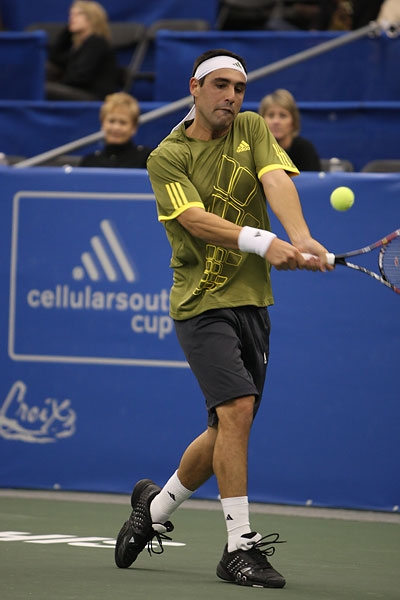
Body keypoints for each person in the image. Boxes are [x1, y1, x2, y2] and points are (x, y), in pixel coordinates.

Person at [114, 48, 332, 589]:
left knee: (227, 426)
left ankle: (153, 508)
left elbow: (275, 180)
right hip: (201, 303)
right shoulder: (166, 157)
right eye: (220, 86)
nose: (232, 96)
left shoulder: (252, 127)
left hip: (252, 301)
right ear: (195, 87)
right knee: (236, 409)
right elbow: (194, 219)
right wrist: (264, 242)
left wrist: (300, 237)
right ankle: (239, 548)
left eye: (239, 87)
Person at [45, 1, 119, 101]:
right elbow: (55, 58)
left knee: (44, 89)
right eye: (71, 14)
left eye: (78, 14)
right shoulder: (81, 46)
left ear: (92, 18)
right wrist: (68, 31)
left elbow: (80, 77)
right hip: (81, 91)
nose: (72, 18)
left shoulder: (96, 43)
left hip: (94, 96)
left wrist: (59, 83)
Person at [79, 92, 153, 168]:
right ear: (102, 123)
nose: (116, 127)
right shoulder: (90, 162)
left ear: (134, 127)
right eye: (111, 121)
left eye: (123, 122)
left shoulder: (147, 159)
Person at [259, 88, 321, 171]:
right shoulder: (256, 151)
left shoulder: (305, 150)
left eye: (283, 115)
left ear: (293, 121)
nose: (276, 121)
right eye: (271, 115)